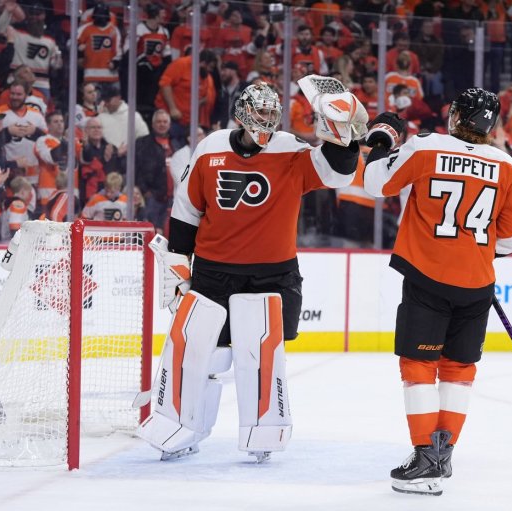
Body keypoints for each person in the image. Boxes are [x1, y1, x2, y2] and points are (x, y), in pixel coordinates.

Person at [137, 82, 362, 463]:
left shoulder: (290, 148)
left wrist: (344, 136)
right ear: (242, 113)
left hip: (273, 274)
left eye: (273, 113)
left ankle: (264, 430)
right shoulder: (211, 147)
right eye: (261, 112)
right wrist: (178, 263)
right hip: (214, 271)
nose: (267, 120)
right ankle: (184, 428)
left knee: (261, 354)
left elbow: (337, 174)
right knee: (205, 355)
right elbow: (187, 209)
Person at [363, 88, 512, 496]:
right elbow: (511, 238)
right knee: (459, 368)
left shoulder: (427, 147)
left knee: (419, 364)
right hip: (477, 284)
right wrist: (473, 250)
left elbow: (374, 183)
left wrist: (382, 140)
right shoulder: (505, 164)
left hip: (427, 278)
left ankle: (425, 458)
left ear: (457, 117)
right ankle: (442, 453)